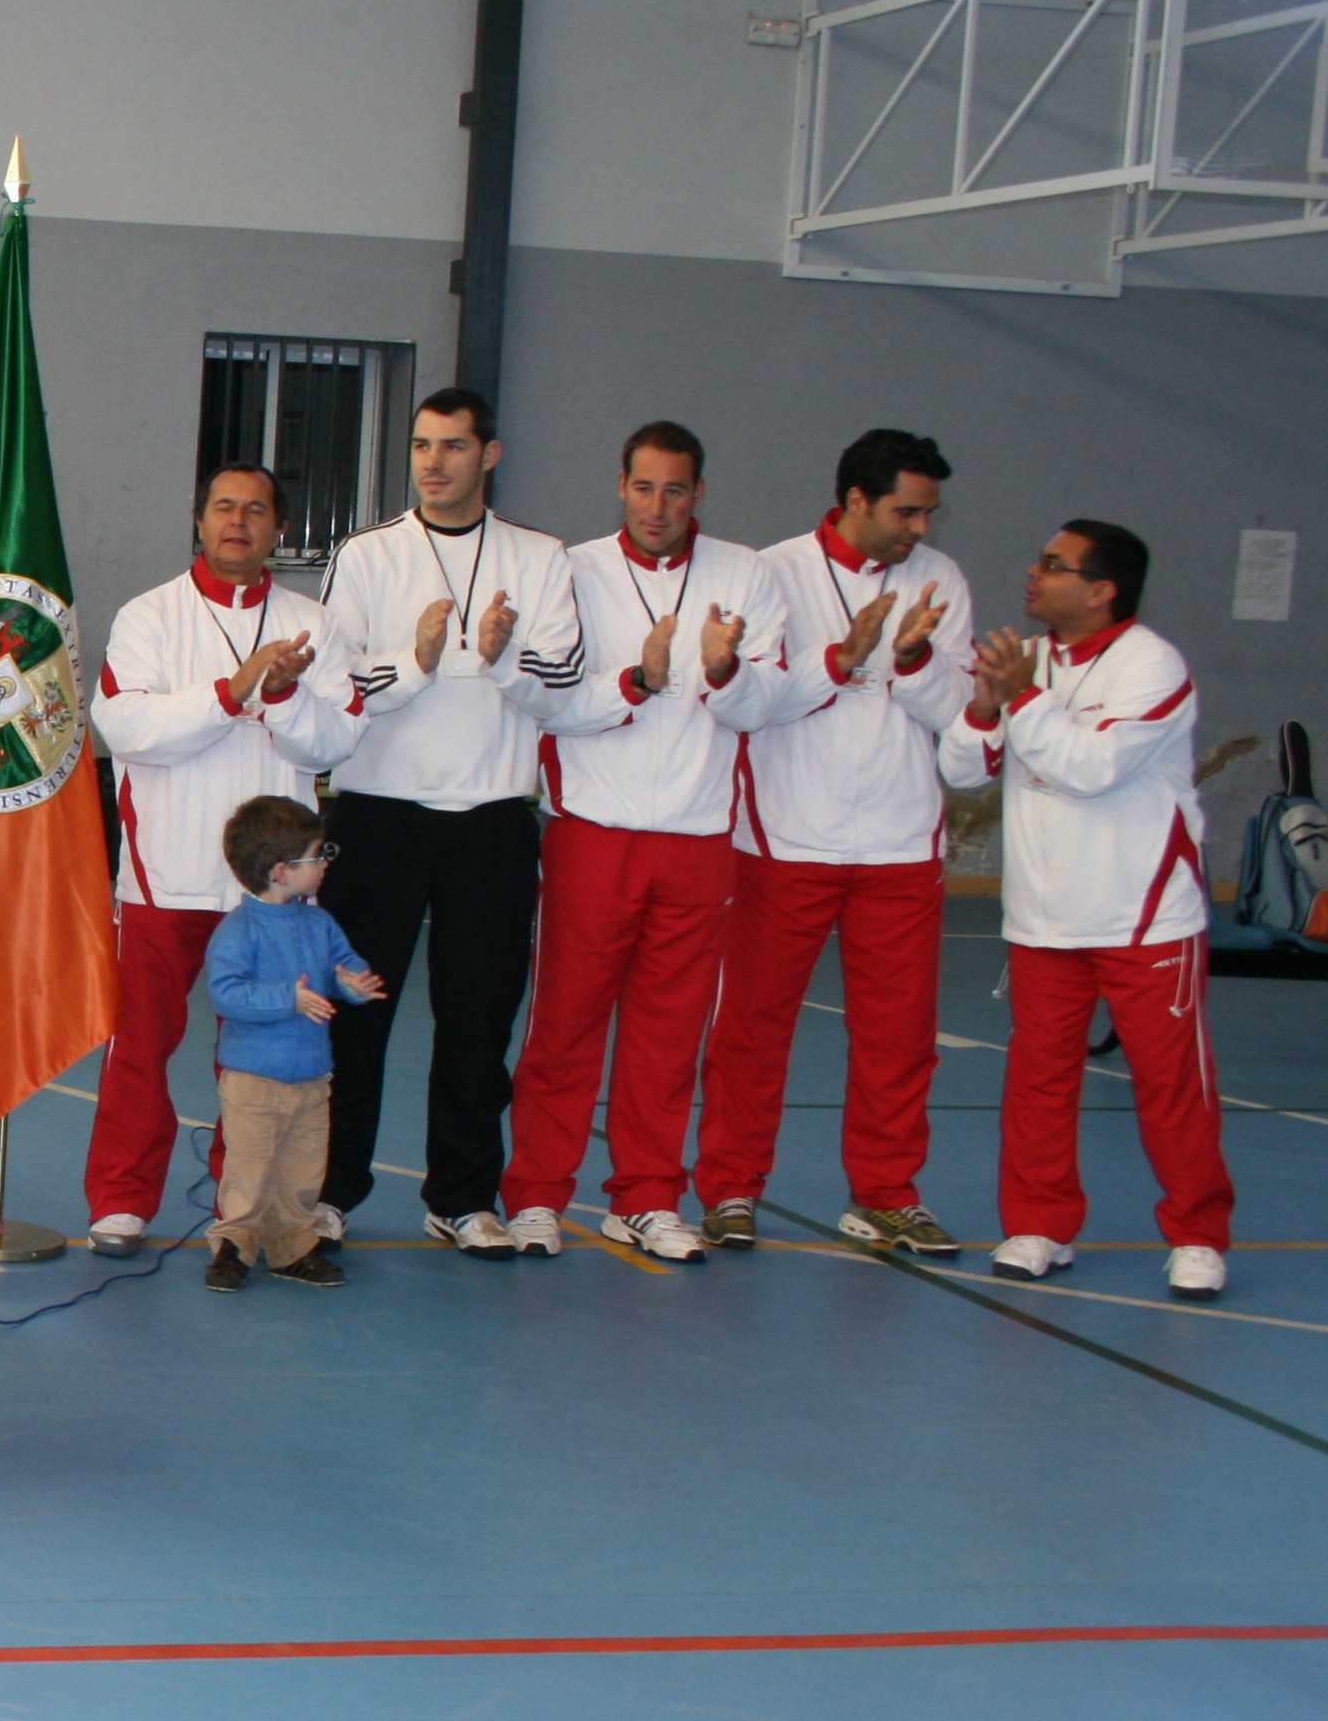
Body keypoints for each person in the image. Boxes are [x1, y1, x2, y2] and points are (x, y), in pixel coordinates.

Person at [498, 421, 787, 1261]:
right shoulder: (574, 572)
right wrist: (638, 681)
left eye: (675, 490)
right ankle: (537, 1194)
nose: (658, 506)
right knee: (565, 1026)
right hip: (594, 832)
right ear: (620, 486)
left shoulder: (746, 574)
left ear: (700, 494)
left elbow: (763, 706)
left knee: (668, 1037)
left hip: (698, 838)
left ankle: (647, 1197)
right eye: (644, 487)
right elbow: (550, 702)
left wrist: (726, 673)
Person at [313, 386, 583, 1257]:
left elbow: (562, 679)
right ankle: (331, 1192)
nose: (434, 463)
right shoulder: (367, 555)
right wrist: (418, 661)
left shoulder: (540, 556)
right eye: (423, 446)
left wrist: (501, 660)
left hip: (491, 821)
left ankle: (463, 1198)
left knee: (478, 1020)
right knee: (356, 1015)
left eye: (454, 446)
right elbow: (336, 680)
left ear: (489, 455)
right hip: (379, 816)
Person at [937, 521, 1233, 1301]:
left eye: (1054, 565)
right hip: (1044, 919)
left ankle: (1197, 1235)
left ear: (1102, 590)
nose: (1033, 574)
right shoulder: (1026, 662)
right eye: (1039, 560)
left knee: (1170, 1086)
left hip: (1144, 919)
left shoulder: (1151, 665)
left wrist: (1023, 697)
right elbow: (963, 769)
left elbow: (1092, 766)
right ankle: (1039, 1225)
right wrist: (984, 706)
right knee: (1038, 1082)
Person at [694, 429, 974, 1252]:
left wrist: (914, 660)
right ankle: (731, 1187)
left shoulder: (942, 578)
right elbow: (755, 702)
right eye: (906, 512)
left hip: (901, 845)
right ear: (856, 500)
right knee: (752, 1028)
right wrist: (844, 659)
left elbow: (959, 715)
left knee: (900, 1040)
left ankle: (885, 1194)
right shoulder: (772, 573)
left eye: (927, 513)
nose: (919, 528)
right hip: (784, 839)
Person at [80, 464, 360, 1255]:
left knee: (268, 1053)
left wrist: (286, 696)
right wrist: (232, 693)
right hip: (164, 878)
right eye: (224, 507)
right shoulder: (149, 616)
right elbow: (126, 728)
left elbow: (337, 741)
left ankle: (247, 1207)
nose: (239, 521)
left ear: (279, 529)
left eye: (257, 510)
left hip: (273, 892)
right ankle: (122, 1199)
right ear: (199, 521)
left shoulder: (314, 624)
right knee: (139, 1047)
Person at [198, 797, 384, 1292]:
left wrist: (353, 984)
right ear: (282, 872)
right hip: (253, 1080)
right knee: (250, 1169)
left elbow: (343, 964)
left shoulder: (319, 923)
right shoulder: (239, 930)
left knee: (303, 1170)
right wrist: (289, 999)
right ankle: (234, 1244)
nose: (325, 864)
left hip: (312, 1076)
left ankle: (291, 1246)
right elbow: (226, 993)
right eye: (318, 855)